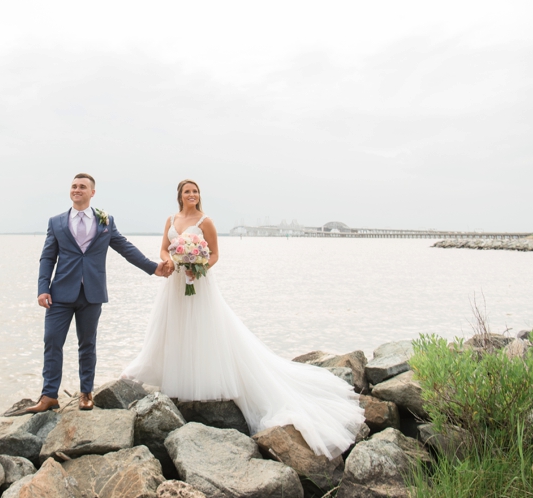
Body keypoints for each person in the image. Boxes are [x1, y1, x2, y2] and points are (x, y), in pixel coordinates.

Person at [122, 179, 365, 459]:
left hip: (198, 283)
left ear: (199, 196)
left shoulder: (206, 221)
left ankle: (202, 378)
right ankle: (172, 372)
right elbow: (164, 248)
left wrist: (196, 266)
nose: (192, 195)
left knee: (203, 328)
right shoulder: (171, 219)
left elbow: (214, 255)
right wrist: (172, 261)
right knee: (174, 327)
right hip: (175, 282)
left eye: (196, 191)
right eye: (187, 191)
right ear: (180, 195)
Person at [23, 173, 167, 414]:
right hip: (59, 294)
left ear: (92, 192)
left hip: (91, 293)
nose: (77, 190)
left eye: (82, 187)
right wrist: (42, 288)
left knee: (87, 344)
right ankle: (49, 395)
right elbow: (48, 257)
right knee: (52, 341)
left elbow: (125, 247)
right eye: (74, 186)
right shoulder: (56, 222)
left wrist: (153, 268)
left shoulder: (105, 221)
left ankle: (86, 393)